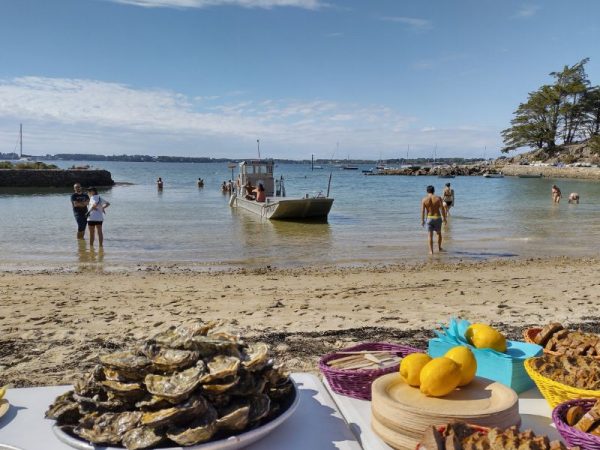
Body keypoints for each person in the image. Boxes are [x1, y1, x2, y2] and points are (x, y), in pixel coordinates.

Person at [421, 185, 447, 255]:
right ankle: (439, 248)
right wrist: (444, 218)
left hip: (429, 218)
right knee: (439, 234)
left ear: (427, 191)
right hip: (437, 217)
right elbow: (442, 209)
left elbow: (423, 211)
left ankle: (431, 251)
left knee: (430, 235)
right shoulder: (438, 198)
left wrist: (422, 220)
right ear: (434, 191)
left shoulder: (424, 199)